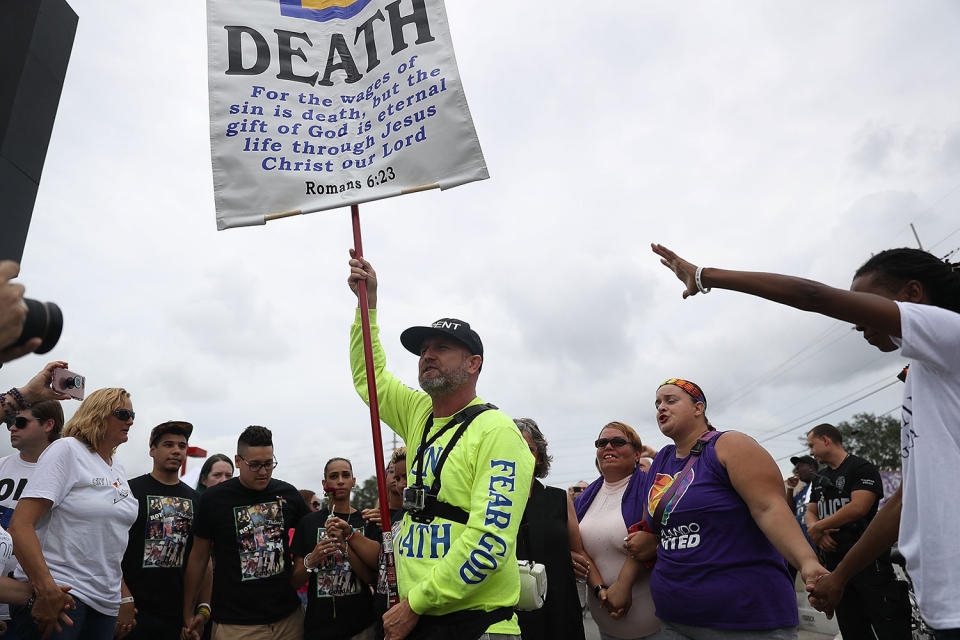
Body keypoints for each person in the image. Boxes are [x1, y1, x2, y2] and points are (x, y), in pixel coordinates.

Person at [652, 244, 960, 636]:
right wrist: (839, 576)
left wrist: (704, 276)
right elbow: (903, 501)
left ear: (914, 296)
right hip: (942, 601)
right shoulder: (923, 374)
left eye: (861, 306)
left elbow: (813, 296)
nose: (856, 321)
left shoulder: (952, 335)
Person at [347, 252, 534, 640]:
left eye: (442, 348)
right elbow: (370, 375)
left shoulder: (497, 432)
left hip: (476, 623)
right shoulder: (419, 412)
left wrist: (415, 604)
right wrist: (367, 306)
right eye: (424, 349)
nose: (427, 355)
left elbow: (490, 541)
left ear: (473, 364)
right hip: (418, 618)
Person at [624, 379, 827, 639]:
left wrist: (808, 562)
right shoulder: (661, 460)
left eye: (670, 400)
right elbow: (655, 527)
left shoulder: (730, 445)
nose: (661, 408)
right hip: (673, 617)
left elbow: (768, 508)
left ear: (699, 408)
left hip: (743, 618)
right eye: (657, 404)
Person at [9, 388, 140, 639]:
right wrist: (46, 590)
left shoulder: (118, 468)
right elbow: (20, 525)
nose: (131, 421)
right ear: (98, 414)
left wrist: (124, 596)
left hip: (105, 602)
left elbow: (108, 540)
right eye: (123, 413)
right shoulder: (67, 450)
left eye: (133, 415)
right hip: (64, 595)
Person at [182, 426, 309, 640]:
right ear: (238, 461)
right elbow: (198, 558)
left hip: (288, 620)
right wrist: (187, 612)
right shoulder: (214, 500)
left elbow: (311, 531)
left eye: (269, 464)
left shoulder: (288, 494)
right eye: (255, 465)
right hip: (235, 626)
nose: (263, 472)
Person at [804, 423, 909, 638]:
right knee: (853, 631)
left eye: (812, 445)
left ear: (826, 440)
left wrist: (819, 527)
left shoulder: (861, 468)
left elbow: (859, 507)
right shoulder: (820, 479)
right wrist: (816, 530)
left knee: (890, 629)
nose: (811, 452)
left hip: (869, 565)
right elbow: (810, 511)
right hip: (834, 570)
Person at [575, 421, 658, 640]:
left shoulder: (652, 488)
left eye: (618, 442)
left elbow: (650, 539)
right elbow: (578, 549)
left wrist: (623, 586)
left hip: (656, 625)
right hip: (606, 623)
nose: (608, 446)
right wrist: (600, 590)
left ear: (637, 453)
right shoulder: (584, 499)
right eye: (602, 443)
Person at [121, 421, 203, 640]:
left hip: (175, 612)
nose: (176, 450)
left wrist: (197, 610)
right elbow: (109, 549)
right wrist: (122, 598)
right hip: (131, 608)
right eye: (168, 444)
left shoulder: (196, 500)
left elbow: (201, 558)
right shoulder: (129, 491)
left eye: (182, 446)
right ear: (152, 450)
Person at [513, 418, 587, 640]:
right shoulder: (489, 500)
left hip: (559, 606)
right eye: (512, 447)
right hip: (511, 611)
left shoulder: (559, 498)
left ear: (539, 457)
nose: (521, 454)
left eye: (529, 449)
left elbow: (577, 552)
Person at [291, 457, 376, 640]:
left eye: (346, 475)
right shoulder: (308, 523)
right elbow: (295, 581)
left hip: (362, 626)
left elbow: (371, 577)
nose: (340, 481)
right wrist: (312, 559)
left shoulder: (366, 522)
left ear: (353, 481)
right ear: (324, 483)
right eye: (334, 476)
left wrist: (345, 545)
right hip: (319, 627)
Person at [0, 399, 63, 628]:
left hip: (36, 601)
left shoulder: (65, 474)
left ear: (48, 425)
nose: (11, 427)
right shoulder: (1, 465)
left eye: (20, 422)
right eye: (8, 421)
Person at [783, 454, 817, 583]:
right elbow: (790, 510)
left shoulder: (819, 486)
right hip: (799, 544)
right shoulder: (803, 491)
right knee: (788, 577)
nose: (796, 471)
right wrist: (790, 489)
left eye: (800, 467)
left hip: (815, 543)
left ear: (811, 467)